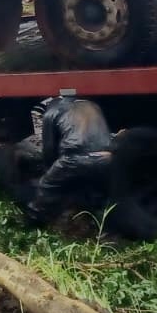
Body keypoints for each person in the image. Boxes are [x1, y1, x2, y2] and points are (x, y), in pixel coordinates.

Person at [23, 96, 115, 225]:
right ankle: (101, 227)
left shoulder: (51, 112)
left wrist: (50, 171)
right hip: (107, 158)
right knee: (98, 194)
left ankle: (32, 225)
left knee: (46, 186)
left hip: (75, 158)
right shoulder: (92, 105)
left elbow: (49, 149)